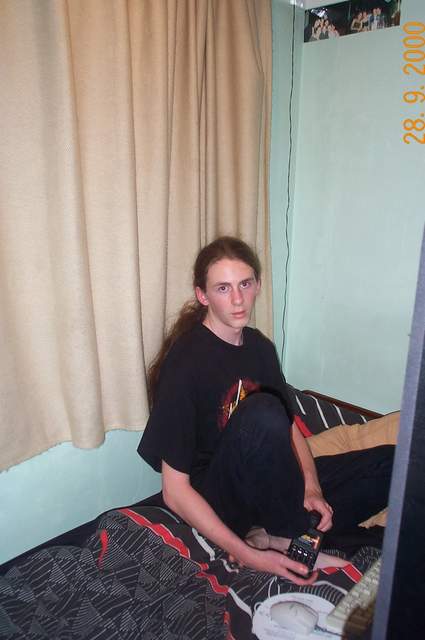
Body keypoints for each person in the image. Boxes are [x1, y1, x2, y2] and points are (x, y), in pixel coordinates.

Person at [138, 236, 394, 584]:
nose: (238, 299)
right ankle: (288, 537)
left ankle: (274, 532)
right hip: (219, 498)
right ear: (203, 295)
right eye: (223, 288)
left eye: (245, 284)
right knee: (261, 411)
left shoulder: (260, 348)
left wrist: (312, 487)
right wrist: (249, 556)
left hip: (271, 485)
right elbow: (174, 491)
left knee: (395, 464)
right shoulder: (185, 363)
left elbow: (290, 428)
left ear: (257, 285)